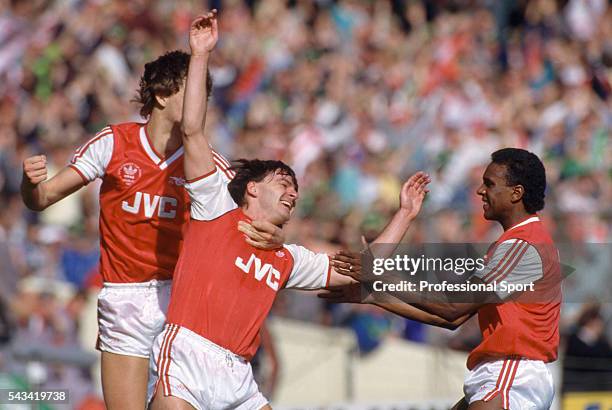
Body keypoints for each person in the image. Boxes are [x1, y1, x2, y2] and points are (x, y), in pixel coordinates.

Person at [147, 11, 432, 410]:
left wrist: (404, 214)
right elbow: (192, 130)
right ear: (252, 188)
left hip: (238, 375)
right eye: (283, 182)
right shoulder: (214, 207)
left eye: (297, 190)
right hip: (187, 355)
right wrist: (200, 55)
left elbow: (366, 269)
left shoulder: (287, 258)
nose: (293, 193)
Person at [20, 50, 283, 409]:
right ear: (162, 95)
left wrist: (276, 238)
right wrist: (30, 185)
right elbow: (43, 197)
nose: (200, 103)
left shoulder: (209, 167)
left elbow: (251, 226)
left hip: (181, 304)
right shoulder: (114, 143)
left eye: (203, 96)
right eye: (191, 92)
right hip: (124, 299)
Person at [326, 148, 561, 410]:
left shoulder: (523, 245)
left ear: (516, 193)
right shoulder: (513, 244)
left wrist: (378, 273)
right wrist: (373, 295)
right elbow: (450, 318)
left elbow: (452, 306)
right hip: (505, 372)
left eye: (489, 184)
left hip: (512, 371)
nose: (480, 191)